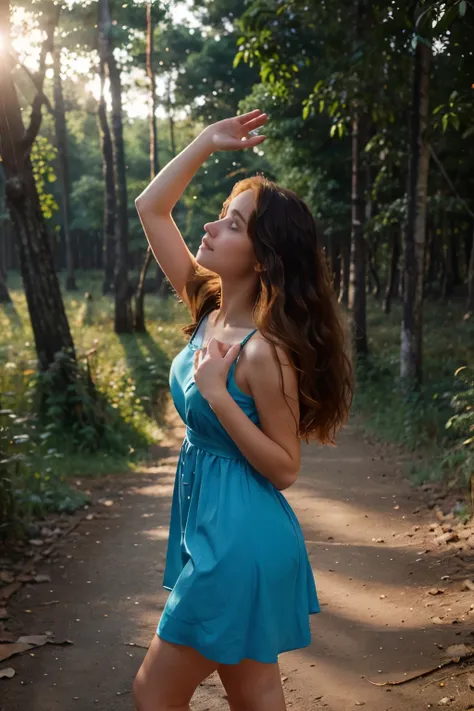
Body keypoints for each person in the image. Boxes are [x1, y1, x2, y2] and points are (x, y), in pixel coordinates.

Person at [132, 108, 353, 711]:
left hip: (240, 543)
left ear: (262, 257)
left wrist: (219, 397)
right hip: (209, 528)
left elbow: (284, 467)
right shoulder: (208, 306)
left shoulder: (263, 351)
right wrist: (206, 141)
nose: (210, 227)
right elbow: (151, 208)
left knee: (153, 693)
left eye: (232, 224)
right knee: (253, 694)